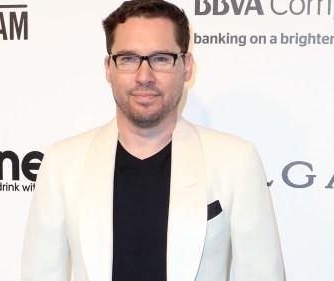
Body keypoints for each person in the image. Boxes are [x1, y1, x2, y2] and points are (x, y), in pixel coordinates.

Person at [21, 0, 285, 280]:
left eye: (160, 58)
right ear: (109, 68)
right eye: (129, 59)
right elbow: (41, 273)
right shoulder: (62, 162)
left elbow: (262, 274)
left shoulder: (235, 160)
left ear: (186, 67)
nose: (144, 76)